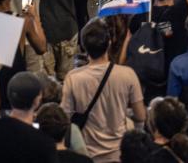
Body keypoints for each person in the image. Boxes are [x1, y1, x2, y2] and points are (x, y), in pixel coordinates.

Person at [62, 19, 146, 162]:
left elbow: (64, 117)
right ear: (109, 43)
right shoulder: (128, 74)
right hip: (119, 154)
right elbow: (141, 116)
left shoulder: (73, 78)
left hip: (87, 154)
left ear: (84, 46)